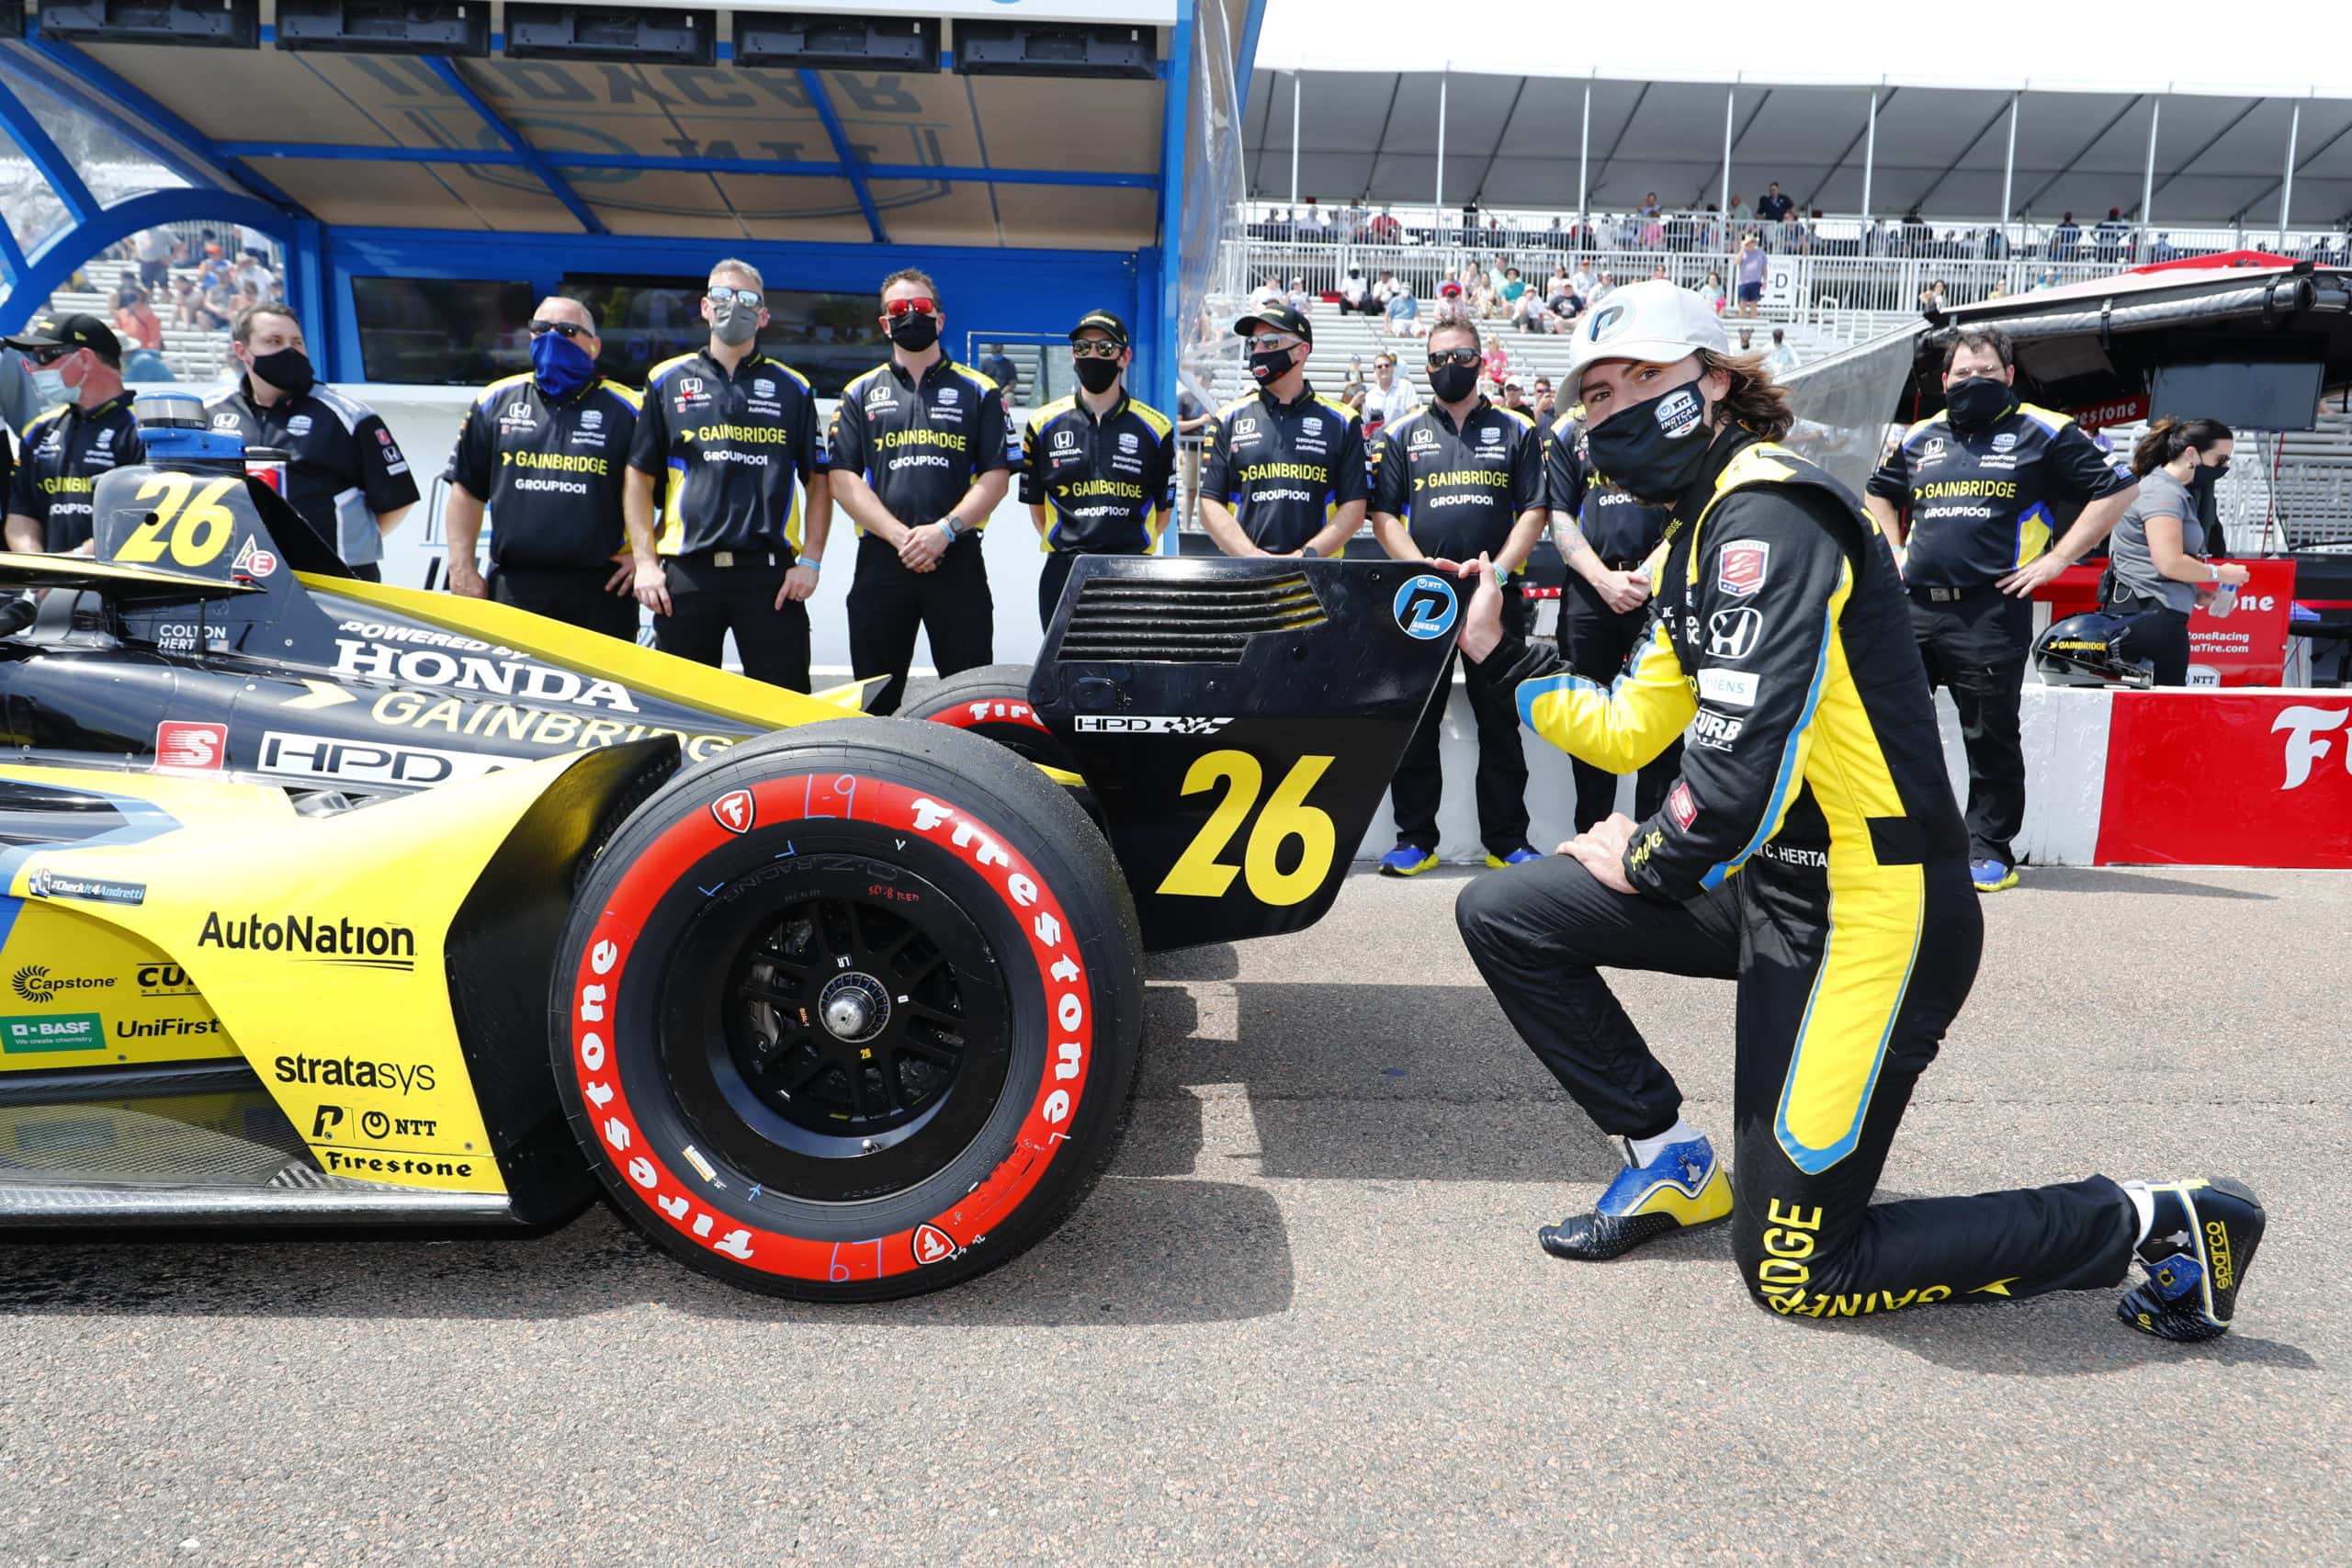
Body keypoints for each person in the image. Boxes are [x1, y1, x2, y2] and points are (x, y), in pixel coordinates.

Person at [1451, 278, 2267, 1344]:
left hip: (1871, 912)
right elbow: (1628, 730)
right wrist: (1502, 652)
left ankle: (2159, 1221)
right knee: (1504, 913)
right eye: (1595, 394)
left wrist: (1645, 855)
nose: (1611, 411)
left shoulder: (1769, 515)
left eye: (1639, 380)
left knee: (1798, 1267)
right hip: (1768, 885)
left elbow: (1735, 772)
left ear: (1712, 382)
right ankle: (1670, 1164)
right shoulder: (1693, 536)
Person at [1863, 326, 2138, 891]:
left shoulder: (2046, 429)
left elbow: (2115, 491)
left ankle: (1988, 848)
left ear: (2009, 376)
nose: (1973, 381)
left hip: (1990, 609)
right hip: (1912, 608)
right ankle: (1900, 840)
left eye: (1986, 372)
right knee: (1885, 728)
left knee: (1988, 736)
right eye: (1963, 373)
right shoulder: (1920, 435)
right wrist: (1891, 548)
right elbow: (1877, 491)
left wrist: (2059, 559)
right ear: (1944, 381)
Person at [1367, 311, 1547, 875]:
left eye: (1463, 356)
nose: (1452, 366)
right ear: (1426, 366)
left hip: (1493, 596)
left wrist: (1498, 571)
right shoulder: (1403, 433)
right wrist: (1420, 565)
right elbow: (1383, 518)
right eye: (1441, 358)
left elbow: (1534, 512)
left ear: (1481, 362)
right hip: (1426, 596)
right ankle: (1415, 839)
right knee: (1419, 719)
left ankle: (1507, 840)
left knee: (1502, 718)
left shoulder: (1518, 429)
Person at [625, 261, 827, 686]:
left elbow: (818, 482)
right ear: (704, 307)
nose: (734, 306)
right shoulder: (666, 381)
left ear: (764, 315)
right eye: (722, 296)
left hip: (770, 575)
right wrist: (645, 563)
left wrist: (809, 561)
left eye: (748, 299)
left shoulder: (794, 387)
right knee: (682, 710)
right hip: (687, 572)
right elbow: (638, 479)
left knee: (785, 713)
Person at [828, 267, 1014, 715]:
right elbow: (842, 479)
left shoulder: (980, 390)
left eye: (921, 307)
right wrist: (901, 537)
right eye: (899, 308)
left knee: (969, 696)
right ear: (884, 323)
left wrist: (944, 531)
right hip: (881, 560)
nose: (911, 315)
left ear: (941, 319)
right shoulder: (858, 393)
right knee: (874, 701)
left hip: (957, 557)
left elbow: (996, 476)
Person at [443, 296, 646, 640]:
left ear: (593, 346)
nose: (552, 338)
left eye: (566, 330)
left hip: (602, 587)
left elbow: (676, 493)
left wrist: (646, 559)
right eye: (541, 329)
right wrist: (461, 565)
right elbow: (465, 490)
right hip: (515, 586)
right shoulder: (495, 400)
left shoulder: (630, 408)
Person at [1544, 388, 1681, 836]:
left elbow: (1689, 509)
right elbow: (1558, 514)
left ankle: (1655, 846)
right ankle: (1591, 839)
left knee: (1661, 726)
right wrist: (1603, 579)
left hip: (1656, 585)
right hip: (1589, 591)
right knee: (1588, 720)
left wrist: (1646, 573)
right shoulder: (1569, 428)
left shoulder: (1661, 415)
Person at [203, 305, 416, 580]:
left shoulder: (348, 414)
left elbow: (397, 501)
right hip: (239, 575)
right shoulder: (210, 412)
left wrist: (341, 548)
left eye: (297, 342)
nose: (290, 351)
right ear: (242, 351)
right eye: (274, 341)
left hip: (336, 579)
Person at [1023, 310, 1176, 628]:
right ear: (1073, 355)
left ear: (1124, 357)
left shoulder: (1156, 427)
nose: (1092, 355)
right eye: (1082, 348)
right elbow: (1037, 508)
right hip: (1064, 570)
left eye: (1105, 348)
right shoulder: (1042, 423)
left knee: (1132, 671)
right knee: (1062, 673)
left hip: (1132, 570)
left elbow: (1163, 513)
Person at [1198, 302, 1366, 560]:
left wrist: (1306, 555)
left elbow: (1355, 507)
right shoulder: (1227, 419)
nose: (1258, 350)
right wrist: (1252, 556)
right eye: (1253, 343)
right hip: (1245, 575)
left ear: (1301, 351)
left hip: (1319, 573)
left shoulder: (1343, 421)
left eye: (1271, 342)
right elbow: (1210, 502)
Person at [2102, 418, 2246, 686]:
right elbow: (2168, 562)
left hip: (2158, 613)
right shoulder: (2161, 493)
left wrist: (2196, 593)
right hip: (2148, 614)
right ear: (2191, 453)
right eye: (2220, 458)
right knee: (2165, 712)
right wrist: (2220, 573)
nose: (2224, 466)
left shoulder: (2173, 491)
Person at [2, 316, 142, 554]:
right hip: (53, 585)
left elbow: (150, 516)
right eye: (31, 359)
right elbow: (20, 516)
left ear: (85, 358)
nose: (34, 368)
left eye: (44, 357)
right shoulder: (38, 431)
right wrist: (42, 570)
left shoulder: (145, 429)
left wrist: (75, 564)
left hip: (122, 584)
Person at [1364, 350, 1417, 438]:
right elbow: (1367, 429)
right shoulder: (1369, 396)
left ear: (1392, 368)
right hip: (1379, 444)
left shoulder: (1405, 386)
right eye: (1379, 366)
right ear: (1375, 370)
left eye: (1387, 365)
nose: (1383, 368)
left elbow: (1414, 414)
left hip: (1402, 442)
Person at [1734, 234, 1767, 319]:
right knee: (1742, 304)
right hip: (1743, 282)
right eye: (1749, 242)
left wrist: (1765, 280)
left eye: (1752, 242)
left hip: (1756, 282)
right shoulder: (1743, 252)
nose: (1751, 243)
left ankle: (1753, 323)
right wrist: (1742, 249)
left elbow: (1764, 268)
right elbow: (1736, 262)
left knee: (1753, 304)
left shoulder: (1761, 253)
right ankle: (1741, 324)